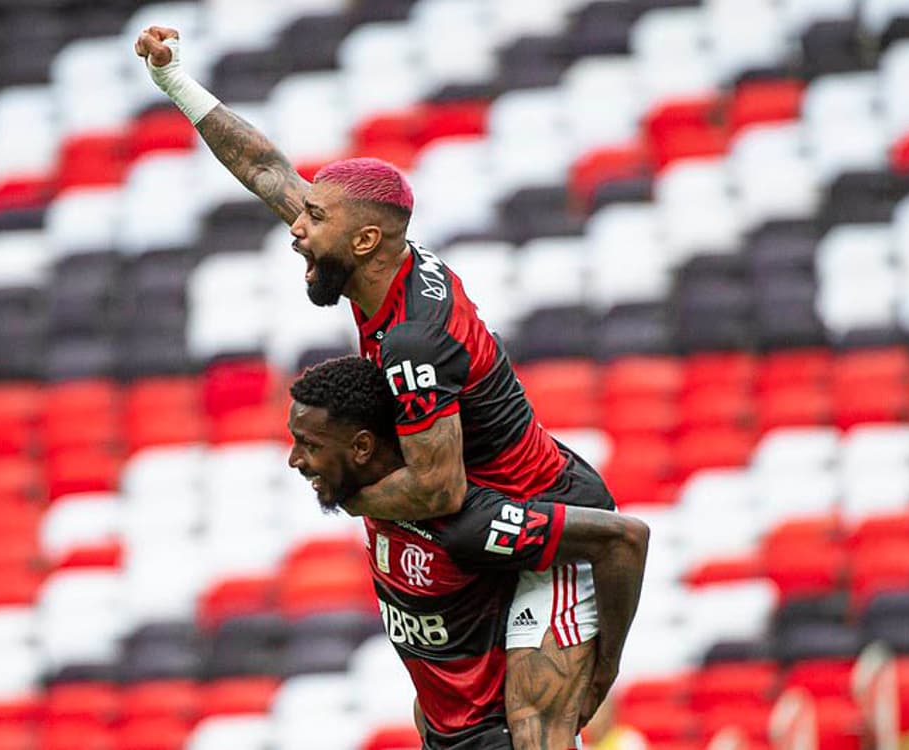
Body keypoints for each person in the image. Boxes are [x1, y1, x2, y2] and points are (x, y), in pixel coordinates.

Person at [135, 26, 622, 747]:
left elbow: (438, 492)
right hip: (489, 520)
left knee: (531, 737)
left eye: (316, 218)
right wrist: (176, 82)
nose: (297, 227)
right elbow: (268, 169)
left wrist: (341, 492)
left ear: (364, 241)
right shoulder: (372, 265)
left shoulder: (415, 337)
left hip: (540, 520)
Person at [287, 356, 649, 749]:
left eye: (309, 445)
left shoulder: (466, 525)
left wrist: (604, 670)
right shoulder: (372, 502)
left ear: (362, 447)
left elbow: (624, 539)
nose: (295, 460)